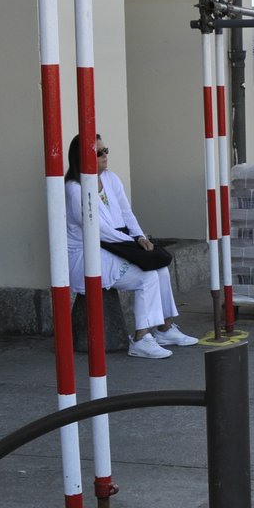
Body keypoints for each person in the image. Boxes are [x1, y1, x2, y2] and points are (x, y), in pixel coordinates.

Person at [64, 135, 198, 359]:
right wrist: (133, 242)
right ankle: (141, 339)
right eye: (99, 152)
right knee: (146, 278)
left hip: (117, 246)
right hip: (88, 254)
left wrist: (140, 236)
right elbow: (96, 229)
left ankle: (164, 328)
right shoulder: (74, 188)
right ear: (82, 157)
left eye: (105, 149)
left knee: (160, 269)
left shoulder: (110, 178)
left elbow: (127, 213)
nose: (105, 155)